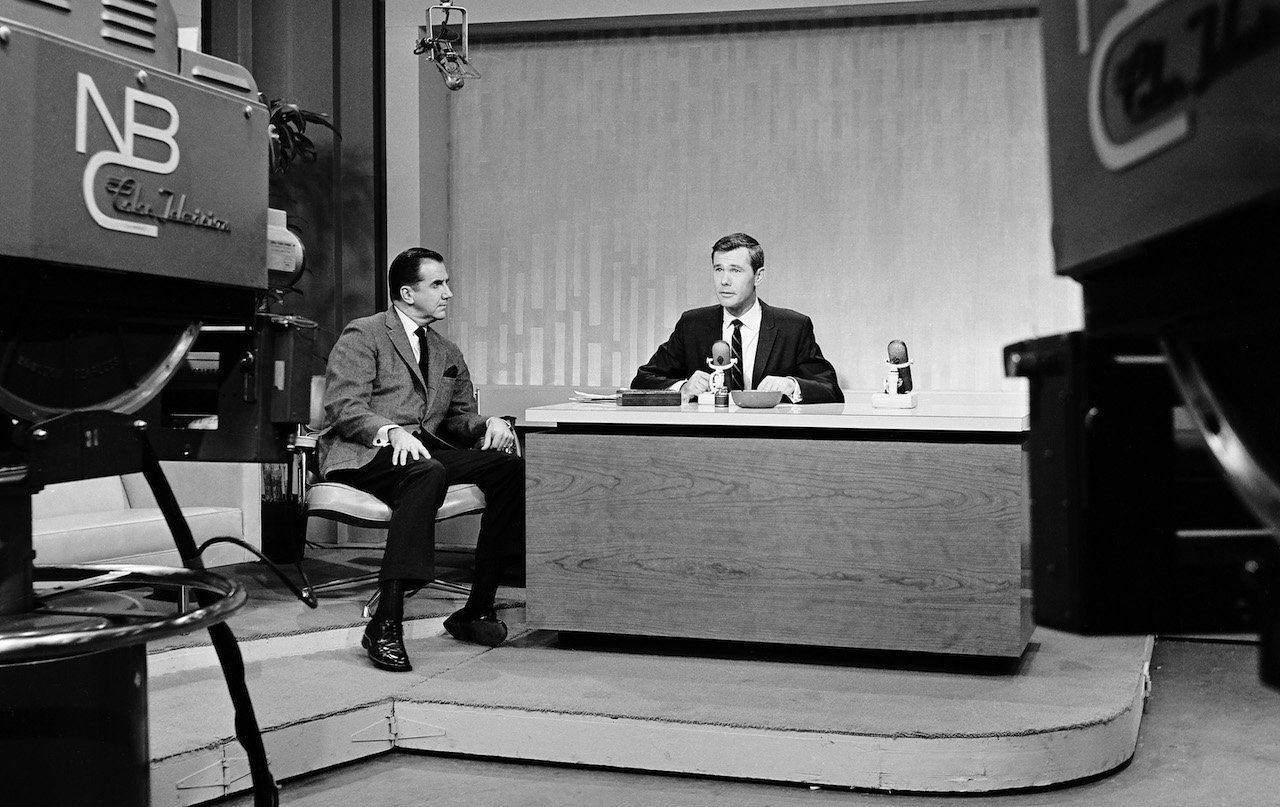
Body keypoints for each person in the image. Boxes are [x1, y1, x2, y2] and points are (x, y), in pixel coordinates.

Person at [318, 247, 523, 672]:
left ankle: (477, 608)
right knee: (426, 470)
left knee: (510, 469)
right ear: (407, 294)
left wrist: (490, 425)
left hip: (423, 454)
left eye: (447, 283)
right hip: (366, 454)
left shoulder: (446, 351)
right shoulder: (364, 333)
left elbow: (459, 418)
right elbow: (343, 406)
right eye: (438, 284)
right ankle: (386, 622)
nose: (448, 292)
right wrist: (390, 430)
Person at [631, 233, 843, 403]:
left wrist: (790, 385)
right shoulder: (693, 324)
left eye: (735, 271)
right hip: (707, 439)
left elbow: (830, 388)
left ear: (758, 276)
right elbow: (642, 380)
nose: (724, 280)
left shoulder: (793, 327)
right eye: (718, 269)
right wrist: (683, 387)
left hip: (771, 439)